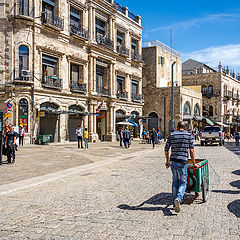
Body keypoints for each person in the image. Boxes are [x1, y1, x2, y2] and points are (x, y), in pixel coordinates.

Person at [164, 121, 199, 213]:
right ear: (185, 127)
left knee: (175, 181)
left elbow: (166, 149)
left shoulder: (172, 135)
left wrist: (167, 161)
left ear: (177, 127)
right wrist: (194, 163)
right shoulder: (188, 135)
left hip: (173, 161)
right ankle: (179, 198)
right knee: (183, 182)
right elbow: (191, 150)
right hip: (182, 161)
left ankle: (174, 201)